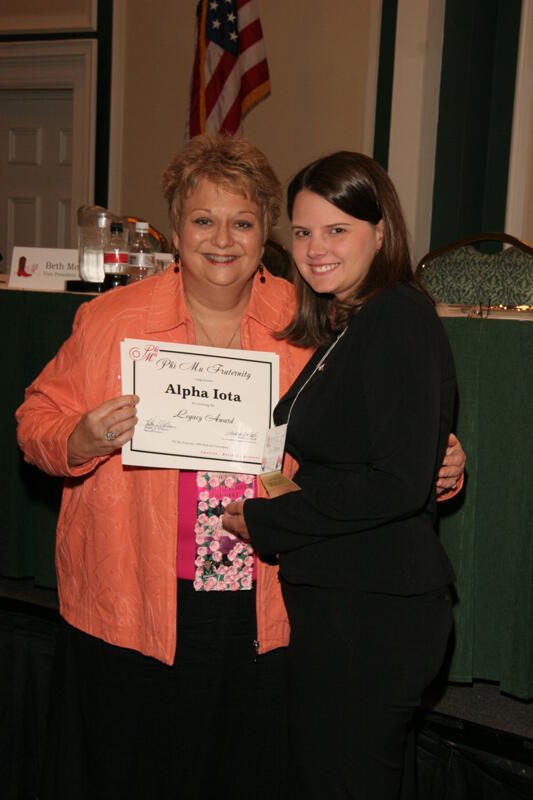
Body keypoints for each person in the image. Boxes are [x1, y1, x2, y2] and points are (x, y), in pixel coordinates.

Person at [16, 135, 464, 800]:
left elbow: (373, 431)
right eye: (203, 220)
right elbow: (35, 420)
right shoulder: (113, 320)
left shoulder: (307, 314)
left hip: (269, 597)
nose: (222, 239)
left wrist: (441, 454)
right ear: (175, 231)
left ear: (265, 236)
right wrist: (76, 440)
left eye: (243, 222)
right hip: (139, 598)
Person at [222, 150, 461, 799]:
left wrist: (267, 519)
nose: (313, 247)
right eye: (301, 231)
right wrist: (262, 492)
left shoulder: (398, 316)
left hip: (376, 616)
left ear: (380, 232)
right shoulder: (347, 325)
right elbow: (319, 462)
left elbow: (395, 482)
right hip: (339, 603)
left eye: (336, 230)